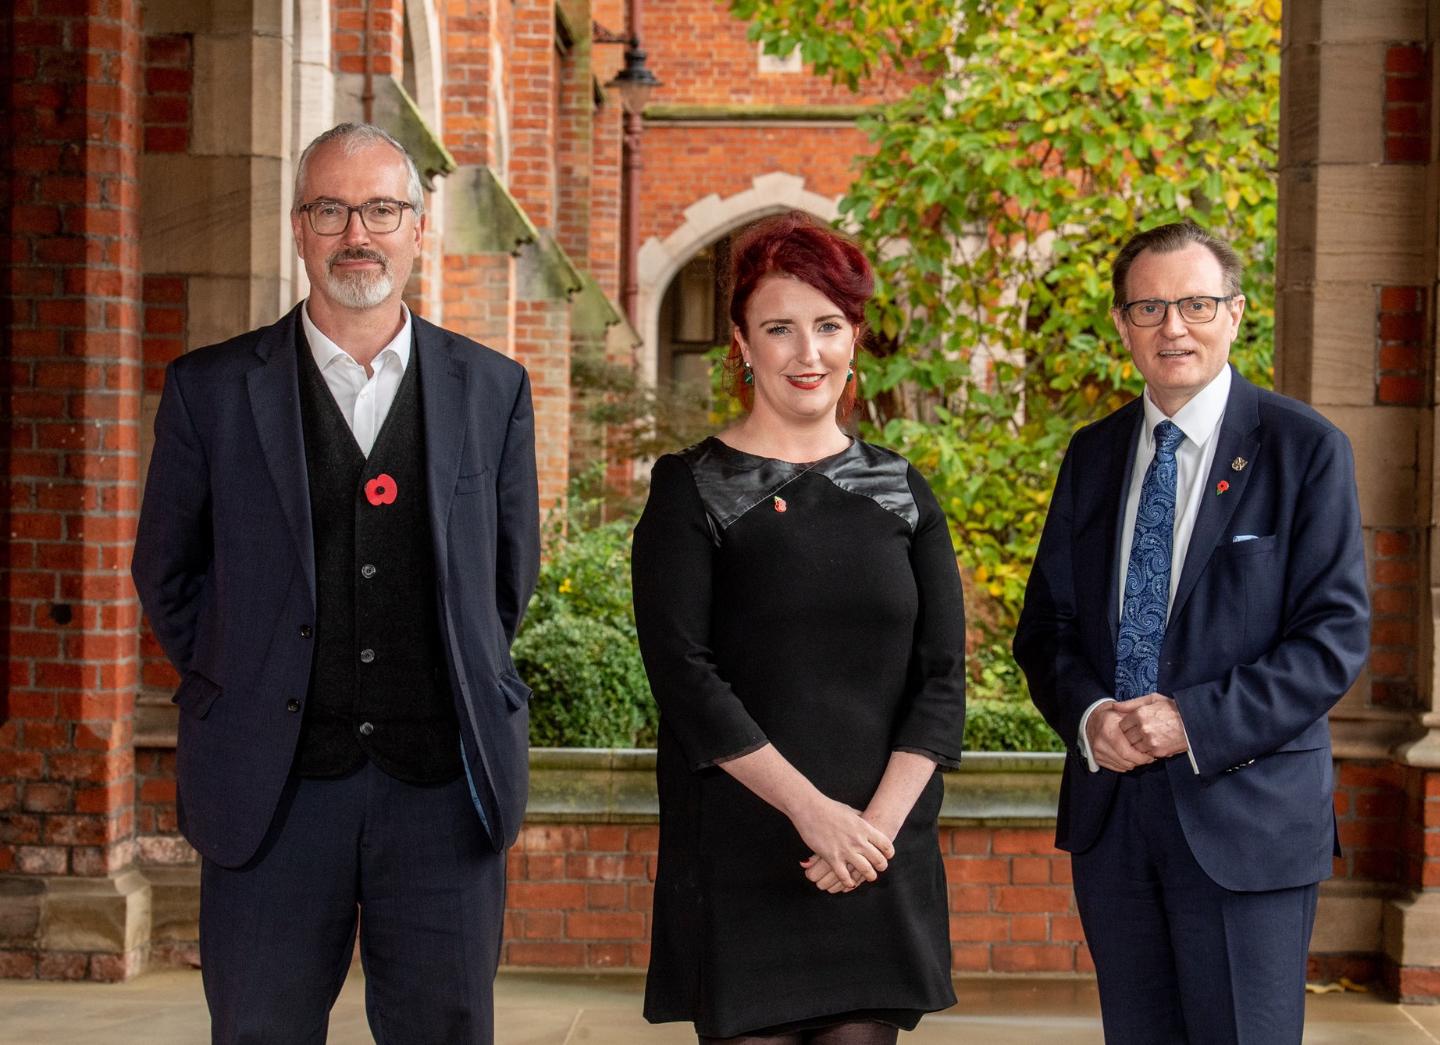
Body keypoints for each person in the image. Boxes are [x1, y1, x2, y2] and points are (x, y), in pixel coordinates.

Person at [131, 122, 539, 1045]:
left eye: (381, 210)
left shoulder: (493, 388)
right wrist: (243, 673)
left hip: (443, 786)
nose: (358, 233)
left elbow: (506, 579)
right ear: (298, 227)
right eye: (331, 210)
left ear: (418, 228)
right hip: (270, 790)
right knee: (260, 1029)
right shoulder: (209, 390)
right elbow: (167, 569)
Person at [1013, 221, 1371, 1043]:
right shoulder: (1092, 455)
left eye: (1195, 304)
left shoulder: (1303, 449)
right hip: (1114, 820)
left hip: (1247, 819)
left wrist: (1191, 720)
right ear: (1121, 325)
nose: (1172, 326)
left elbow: (1332, 636)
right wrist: (1089, 717)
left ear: (1234, 313)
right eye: (1148, 308)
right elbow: (1047, 627)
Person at [631, 211, 966, 1044]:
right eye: (779, 327)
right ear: (741, 344)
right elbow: (684, 674)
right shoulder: (691, 489)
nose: (807, 351)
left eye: (828, 325)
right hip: (745, 845)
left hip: (877, 850)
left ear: (854, 338)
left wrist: (870, 833)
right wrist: (813, 813)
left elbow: (941, 679)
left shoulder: (902, 490)